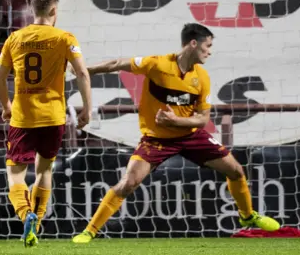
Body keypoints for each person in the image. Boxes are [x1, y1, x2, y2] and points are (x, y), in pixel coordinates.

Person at [70, 23, 280, 243]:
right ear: (193, 43)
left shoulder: (202, 77)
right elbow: (117, 64)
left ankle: (247, 217)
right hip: (157, 138)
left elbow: (203, 119)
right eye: (207, 46)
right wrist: (85, 70)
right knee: (129, 182)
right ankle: (90, 231)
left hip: (190, 136)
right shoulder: (157, 64)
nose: (210, 51)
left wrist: (175, 120)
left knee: (236, 170)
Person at [0, 0, 93, 247]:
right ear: (53, 11)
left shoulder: (15, 38)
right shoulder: (64, 38)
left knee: (15, 176)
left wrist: (7, 105)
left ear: (31, 11)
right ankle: (35, 223)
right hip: (53, 116)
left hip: (23, 118)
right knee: (45, 170)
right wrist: (87, 109)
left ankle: (25, 215)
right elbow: (81, 72)